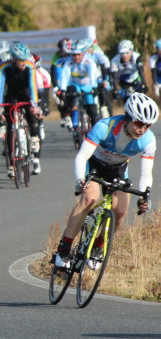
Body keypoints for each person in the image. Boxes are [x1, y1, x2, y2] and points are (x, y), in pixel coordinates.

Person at [54, 93, 157, 269]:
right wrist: (80, 180)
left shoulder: (148, 140)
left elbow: (146, 174)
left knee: (120, 212)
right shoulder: (104, 127)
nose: (143, 129)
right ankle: (64, 248)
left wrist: (144, 197)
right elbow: (81, 157)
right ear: (129, 118)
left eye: (148, 125)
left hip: (117, 170)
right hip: (94, 165)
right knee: (90, 199)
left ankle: (98, 246)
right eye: (140, 123)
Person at [0, 42, 42, 176]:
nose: (23, 63)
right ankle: (11, 163)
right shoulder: (3, 67)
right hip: (11, 96)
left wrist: (34, 106)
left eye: (25, 60)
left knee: (31, 111)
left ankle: (33, 137)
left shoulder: (30, 66)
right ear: (13, 59)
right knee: (10, 127)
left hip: (26, 94)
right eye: (20, 60)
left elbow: (33, 87)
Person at [58, 41, 100, 146]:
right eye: (74, 55)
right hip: (75, 84)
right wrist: (62, 89)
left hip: (87, 84)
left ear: (83, 53)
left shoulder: (89, 61)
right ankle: (76, 128)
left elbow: (92, 75)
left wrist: (94, 88)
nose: (76, 57)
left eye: (78, 55)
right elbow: (65, 75)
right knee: (70, 97)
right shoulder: (69, 61)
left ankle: (96, 134)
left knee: (92, 110)